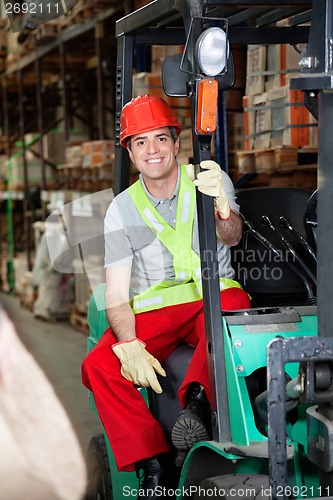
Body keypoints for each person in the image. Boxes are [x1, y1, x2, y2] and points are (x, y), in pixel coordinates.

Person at [81, 95, 250, 499]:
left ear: (177, 144)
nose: (152, 150)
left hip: (214, 293)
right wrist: (128, 343)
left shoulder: (209, 178)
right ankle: (153, 460)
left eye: (160, 139)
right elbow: (118, 290)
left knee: (233, 316)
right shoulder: (121, 209)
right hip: (159, 306)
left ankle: (195, 407)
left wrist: (223, 208)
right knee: (99, 365)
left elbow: (234, 237)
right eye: (140, 142)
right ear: (130, 152)